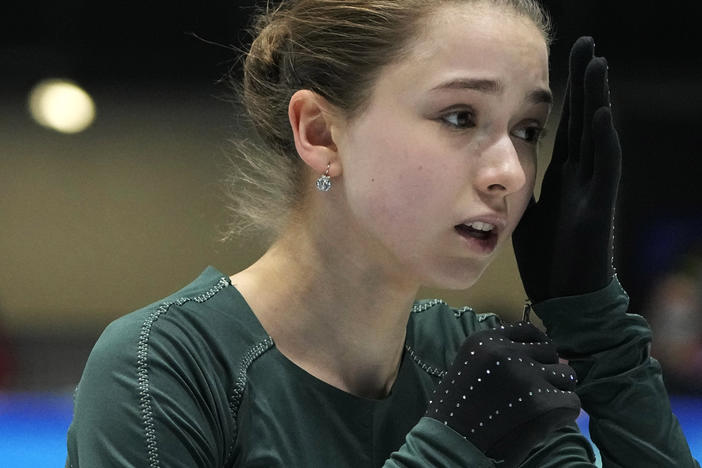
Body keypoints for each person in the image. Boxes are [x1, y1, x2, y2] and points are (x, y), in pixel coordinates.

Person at [65, 0, 700, 466]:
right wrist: (449, 451)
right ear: (319, 132)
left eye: (528, 129)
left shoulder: (476, 361)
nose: (510, 171)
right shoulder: (164, 366)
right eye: (460, 116)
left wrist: (596, 324)